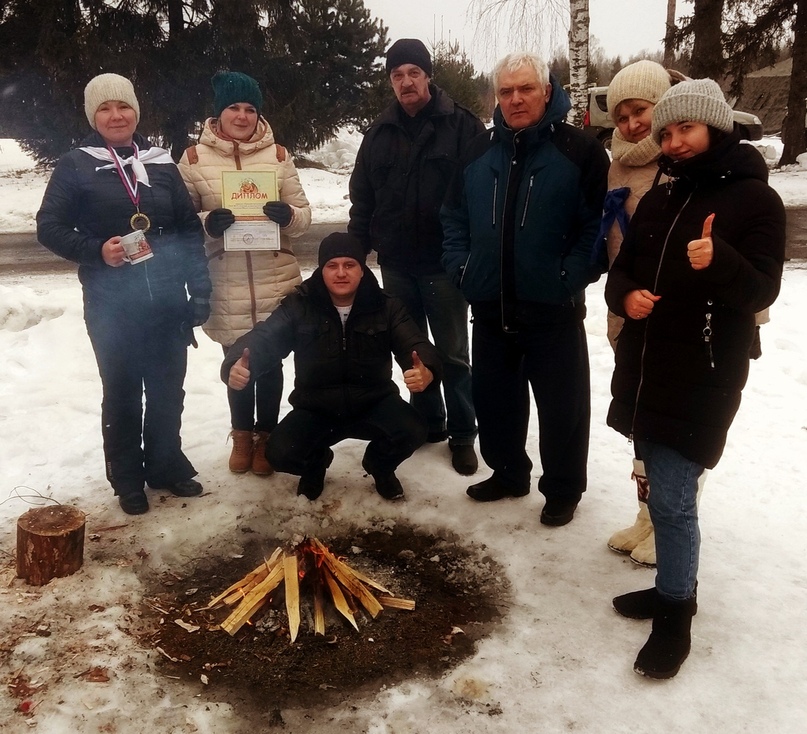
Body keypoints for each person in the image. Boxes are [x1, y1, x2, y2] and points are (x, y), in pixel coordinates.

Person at [606, 79, 785, 679]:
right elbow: (623, 269)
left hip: (703, 372)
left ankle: (675, 616)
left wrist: (721, 261)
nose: (675, 142)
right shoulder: (659, 197)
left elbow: (763, 289)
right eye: (668, 133)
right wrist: (626, 295)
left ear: (714, 126)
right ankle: (668, 589)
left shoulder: (754, 201)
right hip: (647, 367)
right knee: (656, 483)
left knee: (677, 501)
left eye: (687, 129)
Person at [441, 52, 609, 526]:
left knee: (563, 409)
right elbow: (452, 218)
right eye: (506, 91)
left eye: (525, 89)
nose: (515, 99)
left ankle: (562, 488)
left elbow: (594, 228)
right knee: (495, 401)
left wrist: (568, 277)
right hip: (490, 305)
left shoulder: (580, 151)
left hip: (551, 308)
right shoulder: (478, 152)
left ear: (547, 90)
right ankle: (509, 473)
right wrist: (462, 269)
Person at [36, 73, 211, 515]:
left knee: (169, 390)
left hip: (168, 302)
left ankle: (165, 465)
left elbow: (189, 230)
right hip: (112, 306)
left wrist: (200, 290)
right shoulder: (76, 164)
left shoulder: (160, 163)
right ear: (93, 116)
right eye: (105, 109)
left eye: (124, 107)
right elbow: (48, 226)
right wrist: (96, 250)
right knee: (122, 392)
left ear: (136, 111)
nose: (116, 116)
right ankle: (128, 477)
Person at [348, 38, 485, 477]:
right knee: (411, 349)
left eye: (413, 73)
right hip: (397, 263)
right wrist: (355, 252)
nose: (405, 82)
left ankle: (464, 433)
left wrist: (469, 254)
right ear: (390, 81)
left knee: (452, 350)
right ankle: (429, 421)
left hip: (444, 264)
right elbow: (362, 199)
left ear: (428, 76)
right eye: (397, 75)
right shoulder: (378, 134)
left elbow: (478, 197)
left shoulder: (461, 126)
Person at [222, 233, 442, 501]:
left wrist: (426, 368)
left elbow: (415, 343)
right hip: (317, 407)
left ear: (362, 270)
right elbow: (265, 338)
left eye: (349, 265)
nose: (341, 273)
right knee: (279, 452)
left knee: (414, 429)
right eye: (332, 265)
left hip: (373, 402)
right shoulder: (300, 304)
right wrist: (238, 362)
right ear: (321, 269)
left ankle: (379, 465)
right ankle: (315, 465)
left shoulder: (387, 305)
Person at [179, 71, 311, 476]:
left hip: (276, 278)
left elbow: (305, 217)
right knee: (237, 364)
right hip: (227, 280)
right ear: (218, 113)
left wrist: (287, 216)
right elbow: (180, 222)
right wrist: (206, 222)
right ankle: (240, 434)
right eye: (233, 107)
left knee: (270, 366)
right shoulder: (194, 159)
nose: (242, 115)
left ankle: (266, 437)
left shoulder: (278, 157)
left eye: (250, 108)